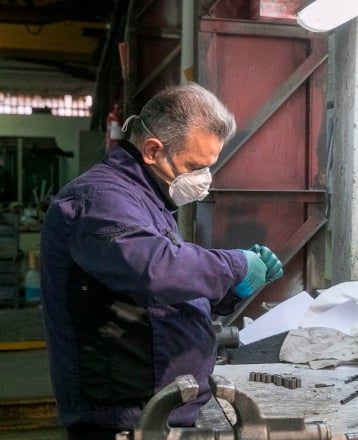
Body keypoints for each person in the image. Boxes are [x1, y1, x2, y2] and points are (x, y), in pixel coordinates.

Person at [40, 82, 283, 439]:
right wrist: (236, 264)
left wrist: (231, 291)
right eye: (195, 166)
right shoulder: (100, 200)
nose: (204, 180)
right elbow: (155, 270)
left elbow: (156, 298)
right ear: (153, 150)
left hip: (157, 411)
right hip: (120, 420)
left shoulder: (147, 200)